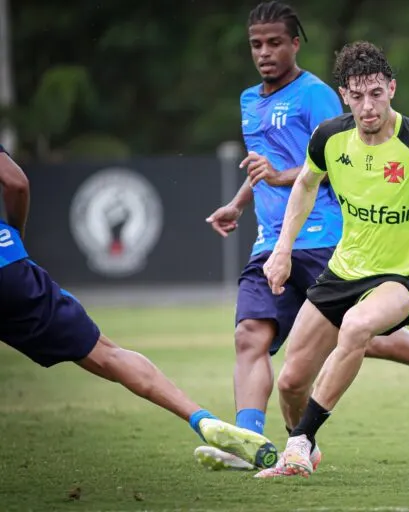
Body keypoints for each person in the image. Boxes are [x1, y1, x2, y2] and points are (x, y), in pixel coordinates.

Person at [198, 2, 409, 472]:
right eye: (357, 97)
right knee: (291, 382)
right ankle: (304, 451)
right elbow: (303, 185)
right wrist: (279, 250)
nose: (368, 107)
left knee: (359, 329)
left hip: (403, 277)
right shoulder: (330, 138)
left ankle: (297, 443)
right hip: (343, 269)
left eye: (377, 94)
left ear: (392, 89)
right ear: (344, 96)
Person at [0, 145, 278, 469]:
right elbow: (16, 182)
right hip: (9, 267)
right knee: (107, 353)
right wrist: (13, 236)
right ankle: (201, 419)